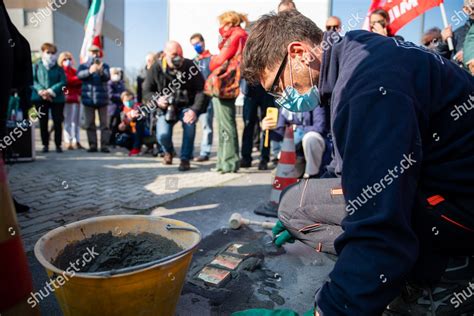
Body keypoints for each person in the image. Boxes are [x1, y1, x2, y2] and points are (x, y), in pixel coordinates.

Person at [241, 10, 474, 315]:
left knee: (378, 238)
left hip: (458, 207)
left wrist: (330, 308)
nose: (280, 98)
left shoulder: (367, 88)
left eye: (276, 86)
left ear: (298, 53)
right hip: (436, 180)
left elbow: (379, 226)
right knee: (293, 205)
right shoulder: (351, 55)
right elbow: (347, 168)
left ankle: (438, 276)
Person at [142, 41, 207, 171]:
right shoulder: (156, 67)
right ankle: (168, 152)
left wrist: (194, 110)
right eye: (174, 54)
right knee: (163, 135)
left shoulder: (189, 66)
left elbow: (201, 90)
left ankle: (185, 159)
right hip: (165, 108)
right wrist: (157, 99)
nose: (179, 58)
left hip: (186, 106)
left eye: (181, 54)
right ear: (165, 54)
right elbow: (146, 91)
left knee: (189, 126)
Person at [208, 11, 248, 173]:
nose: (220, 27)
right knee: (224, 125)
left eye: (222, 23)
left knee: (226, 125)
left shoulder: (236, 35)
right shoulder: (239, 35)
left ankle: (230, 163)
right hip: (226, 85)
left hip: (225, 85)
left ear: (230, 23)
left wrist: (212, 60)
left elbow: (218, 61)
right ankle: (222, 162)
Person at [262, 108, 327, 178]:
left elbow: (319, 128)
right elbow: (280, 135)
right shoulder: (285, 108)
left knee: (310, 138)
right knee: (279, 177)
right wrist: (267, 130)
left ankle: (313, 174)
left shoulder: (314, 102)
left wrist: (297, 128)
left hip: (315, 149)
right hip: (296, 152)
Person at [31, 43, 66, 153]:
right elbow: (33, 80)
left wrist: (51, 91)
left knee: (57, 121)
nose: (50, 55)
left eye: (52, 53)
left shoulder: (59, 68)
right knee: (43, 122)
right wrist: (41, 91)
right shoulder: (36, 66)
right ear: (43, 52)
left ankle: (58, 144)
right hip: (40, 98)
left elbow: (63, 82)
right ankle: (45, 144)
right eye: (48, 52)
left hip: (57, 98)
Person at [77, 45, 111, 153]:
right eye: (92, 52)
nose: (94, 54)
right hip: (88, 99)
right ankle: (93, 145)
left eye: (96, 52)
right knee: (89, 124)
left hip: (102, 100)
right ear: (89, 53)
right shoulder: (83, 66)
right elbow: (79, 76)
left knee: (104, 124)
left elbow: (107, 77)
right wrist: (89, 71)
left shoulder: (104, 65)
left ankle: (104, 145)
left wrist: (100, 71)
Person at [190, 33, 213, 162]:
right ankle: (188, 152)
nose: (196, 46)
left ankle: (205, 152)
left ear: (203, 42)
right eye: (193, 45)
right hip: (195, 98)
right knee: (190, 124)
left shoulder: (212, 59)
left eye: (198, 43)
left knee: (206, 126)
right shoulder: (193, 61)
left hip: (208, 97)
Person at [240, 83, 274, 170]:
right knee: (248, 125)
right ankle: (246, 157)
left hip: (266, 88)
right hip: (250, 89)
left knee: (267, 126)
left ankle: (264, 158)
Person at [58, 51, 83, 150]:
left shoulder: (74, 71)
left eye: (69, 59)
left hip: (76, 99)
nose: (67, 61)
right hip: (67, 99)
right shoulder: (60, 71)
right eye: (65, 59)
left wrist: (79, 94)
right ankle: (67, 141)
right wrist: (66, 94)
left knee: (76, 122)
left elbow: (79, 83)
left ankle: (76, 140)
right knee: (68, 121)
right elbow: (65, 83)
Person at [116, 90, 145, 156]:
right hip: (130, 132)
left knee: (139, 125)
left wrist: (137, 115)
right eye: (126, 100)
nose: (128, 102)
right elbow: (120, 126)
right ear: (122, 101)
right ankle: (133, 148)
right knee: (120, 139)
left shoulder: (139, 107)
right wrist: (123, 125)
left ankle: (136, 148)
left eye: (130, 99)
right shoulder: (122, 111)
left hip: (142, 132)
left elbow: (144, 117)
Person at [108, 67, 126, 146]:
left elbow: (124, 92)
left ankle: (115, 141)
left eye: (117, 73)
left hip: (120, 108)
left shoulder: (121, 83)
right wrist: (121, 97)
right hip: (111, 109)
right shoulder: (109, 83)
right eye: (114, 73)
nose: (116, 75)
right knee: (111, 126)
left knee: (117, 126)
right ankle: (108, 141)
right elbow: (110, 95)